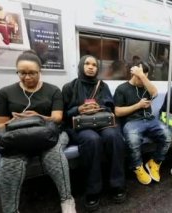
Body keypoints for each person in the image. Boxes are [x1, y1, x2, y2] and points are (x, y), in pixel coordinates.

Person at [0, 50, 76, 213]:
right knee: (10, 162)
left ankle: (66, 199)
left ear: (40, 71)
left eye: (32, 73)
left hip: (49, 135)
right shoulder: (4, 93)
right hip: (18, 138)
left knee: (54, 155)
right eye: (22, 73)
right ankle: (10, 209)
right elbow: (0, 126)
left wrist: (39, 116)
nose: (27, 77)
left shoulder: (53, 91)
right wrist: (14, 120)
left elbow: (57, 118)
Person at [62, 55, 126, 211]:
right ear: (81, 66)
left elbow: (110, 107)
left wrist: (99, 106)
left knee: (114, 136)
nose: (91, 67)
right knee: (92, 140)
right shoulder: (69, 87)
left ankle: (117, 183)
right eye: (87, 64)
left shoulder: (102, 85)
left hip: (101, 121)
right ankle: (93, 189)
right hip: (81, 125)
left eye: (94, 65)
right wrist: (78, 109)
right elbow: (63, 114)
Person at [114, 61, 172, 185]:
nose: (143, 80)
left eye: (145, 76)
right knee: (133, 141)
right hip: (132, 122)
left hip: (150, 120)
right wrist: (138, 105)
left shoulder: (146, 86)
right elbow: (118, 112)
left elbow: (155, 93)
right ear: (133, 74)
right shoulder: (122, 89)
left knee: (168, 135)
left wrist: (143, 77)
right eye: (140, 77)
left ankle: (154, 162)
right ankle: (137, 167)